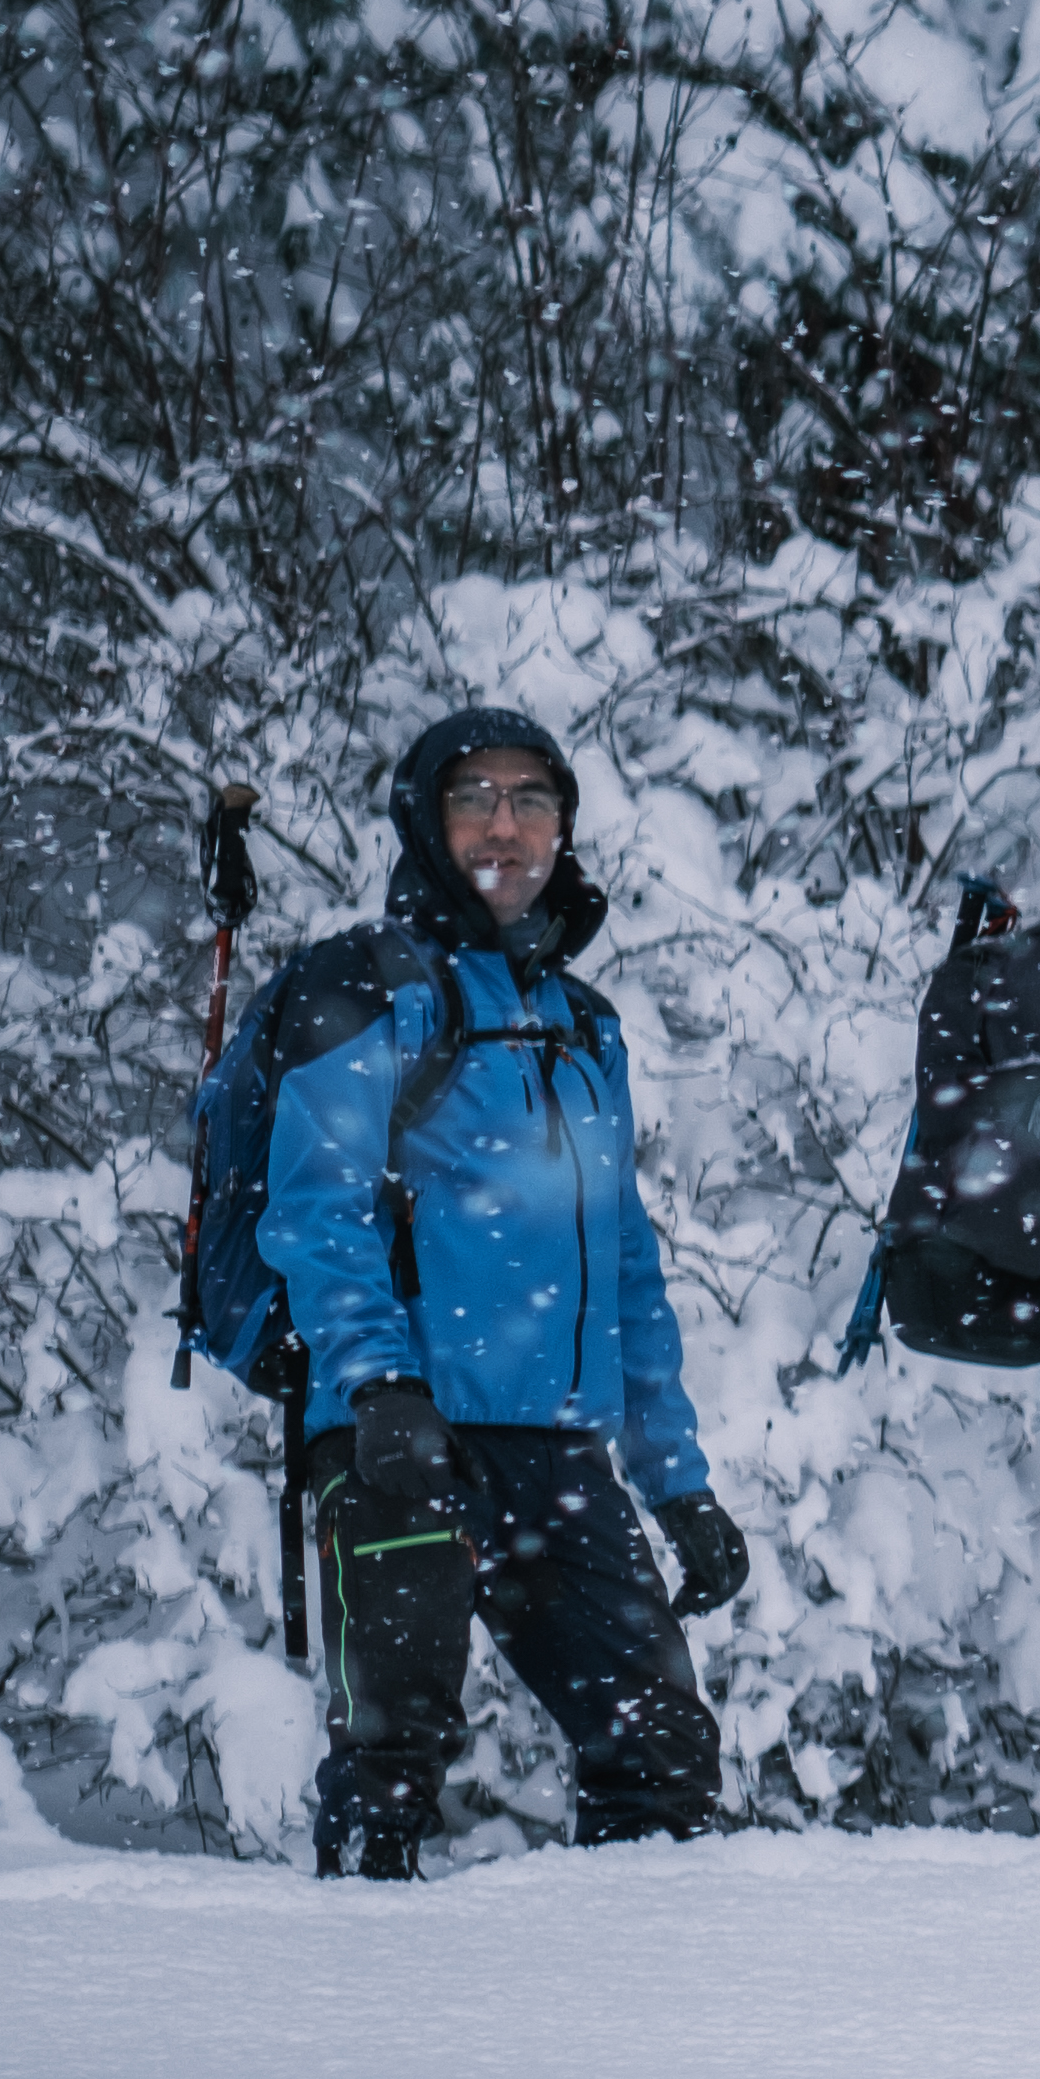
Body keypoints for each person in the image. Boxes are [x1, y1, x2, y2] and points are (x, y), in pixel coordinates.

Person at [266, 707, 732, 1878]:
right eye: (475, 797)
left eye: (533, 799)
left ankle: (630, 2028)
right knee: (391, 1763)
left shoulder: (588, 1029)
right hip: (400, 1437)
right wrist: (378, 1387)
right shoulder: (366, 989)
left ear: (562, 828)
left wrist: (676, 1481)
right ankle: (354, 2029)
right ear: (427, 821)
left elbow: (625, 1265)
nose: (505, 826)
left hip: (556, 1452)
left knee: (661, 1749)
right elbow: (317, 1215)